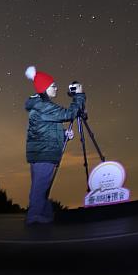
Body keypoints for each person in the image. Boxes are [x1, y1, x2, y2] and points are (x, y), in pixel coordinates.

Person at [24, 65, 85, 225]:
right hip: (44, 153)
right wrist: (79, 96)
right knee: (40, 186)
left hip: (40, 151)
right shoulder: (44, 106)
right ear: (44, 88)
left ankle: (42, 213)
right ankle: (34, 216)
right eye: (53, 86)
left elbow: (44, 130)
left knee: (40, 185)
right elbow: (69, 114)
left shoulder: (40, 105)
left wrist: (64, 134)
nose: (56, 88)